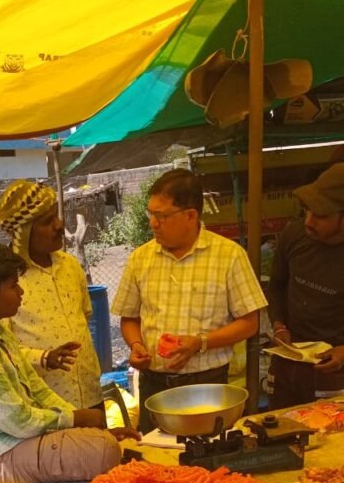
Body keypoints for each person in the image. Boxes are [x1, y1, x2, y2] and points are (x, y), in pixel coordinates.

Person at [0, 237, 137, 483]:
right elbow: (19, 422)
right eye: (13, 286)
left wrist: (82, 425)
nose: (21, 292)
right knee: (102, 451)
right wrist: (76, 420)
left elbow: (37, 389)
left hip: (10, 438)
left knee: (101, 443)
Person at [112, 169, 267, 432]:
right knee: (154, 454)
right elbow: (129, 318)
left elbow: (250, 323)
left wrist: (200, 343)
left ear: (191, 215)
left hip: (208, 386)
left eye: (161, 216)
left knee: (208, 453)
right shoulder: (140, 258)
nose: (153, 224)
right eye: (151, 214)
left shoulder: (229, 255)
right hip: (154, 384)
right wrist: (136, 345)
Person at [0, 180, 102, 409]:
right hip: (47, 408)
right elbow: (0, 351)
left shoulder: (70, 266)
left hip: (90, 394)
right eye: (47, 222)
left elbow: (84, 317)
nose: (59, 225)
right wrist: (43, 358)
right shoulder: (6, 281)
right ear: (24, 232)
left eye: (56, 215)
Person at [267, 162, 344, 408]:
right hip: (288, 357)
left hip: (333, 369)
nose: (309, 221)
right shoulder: (295, 234)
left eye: (321, 215)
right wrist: (278, 325)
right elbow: (277, 286)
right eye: (307, 211)